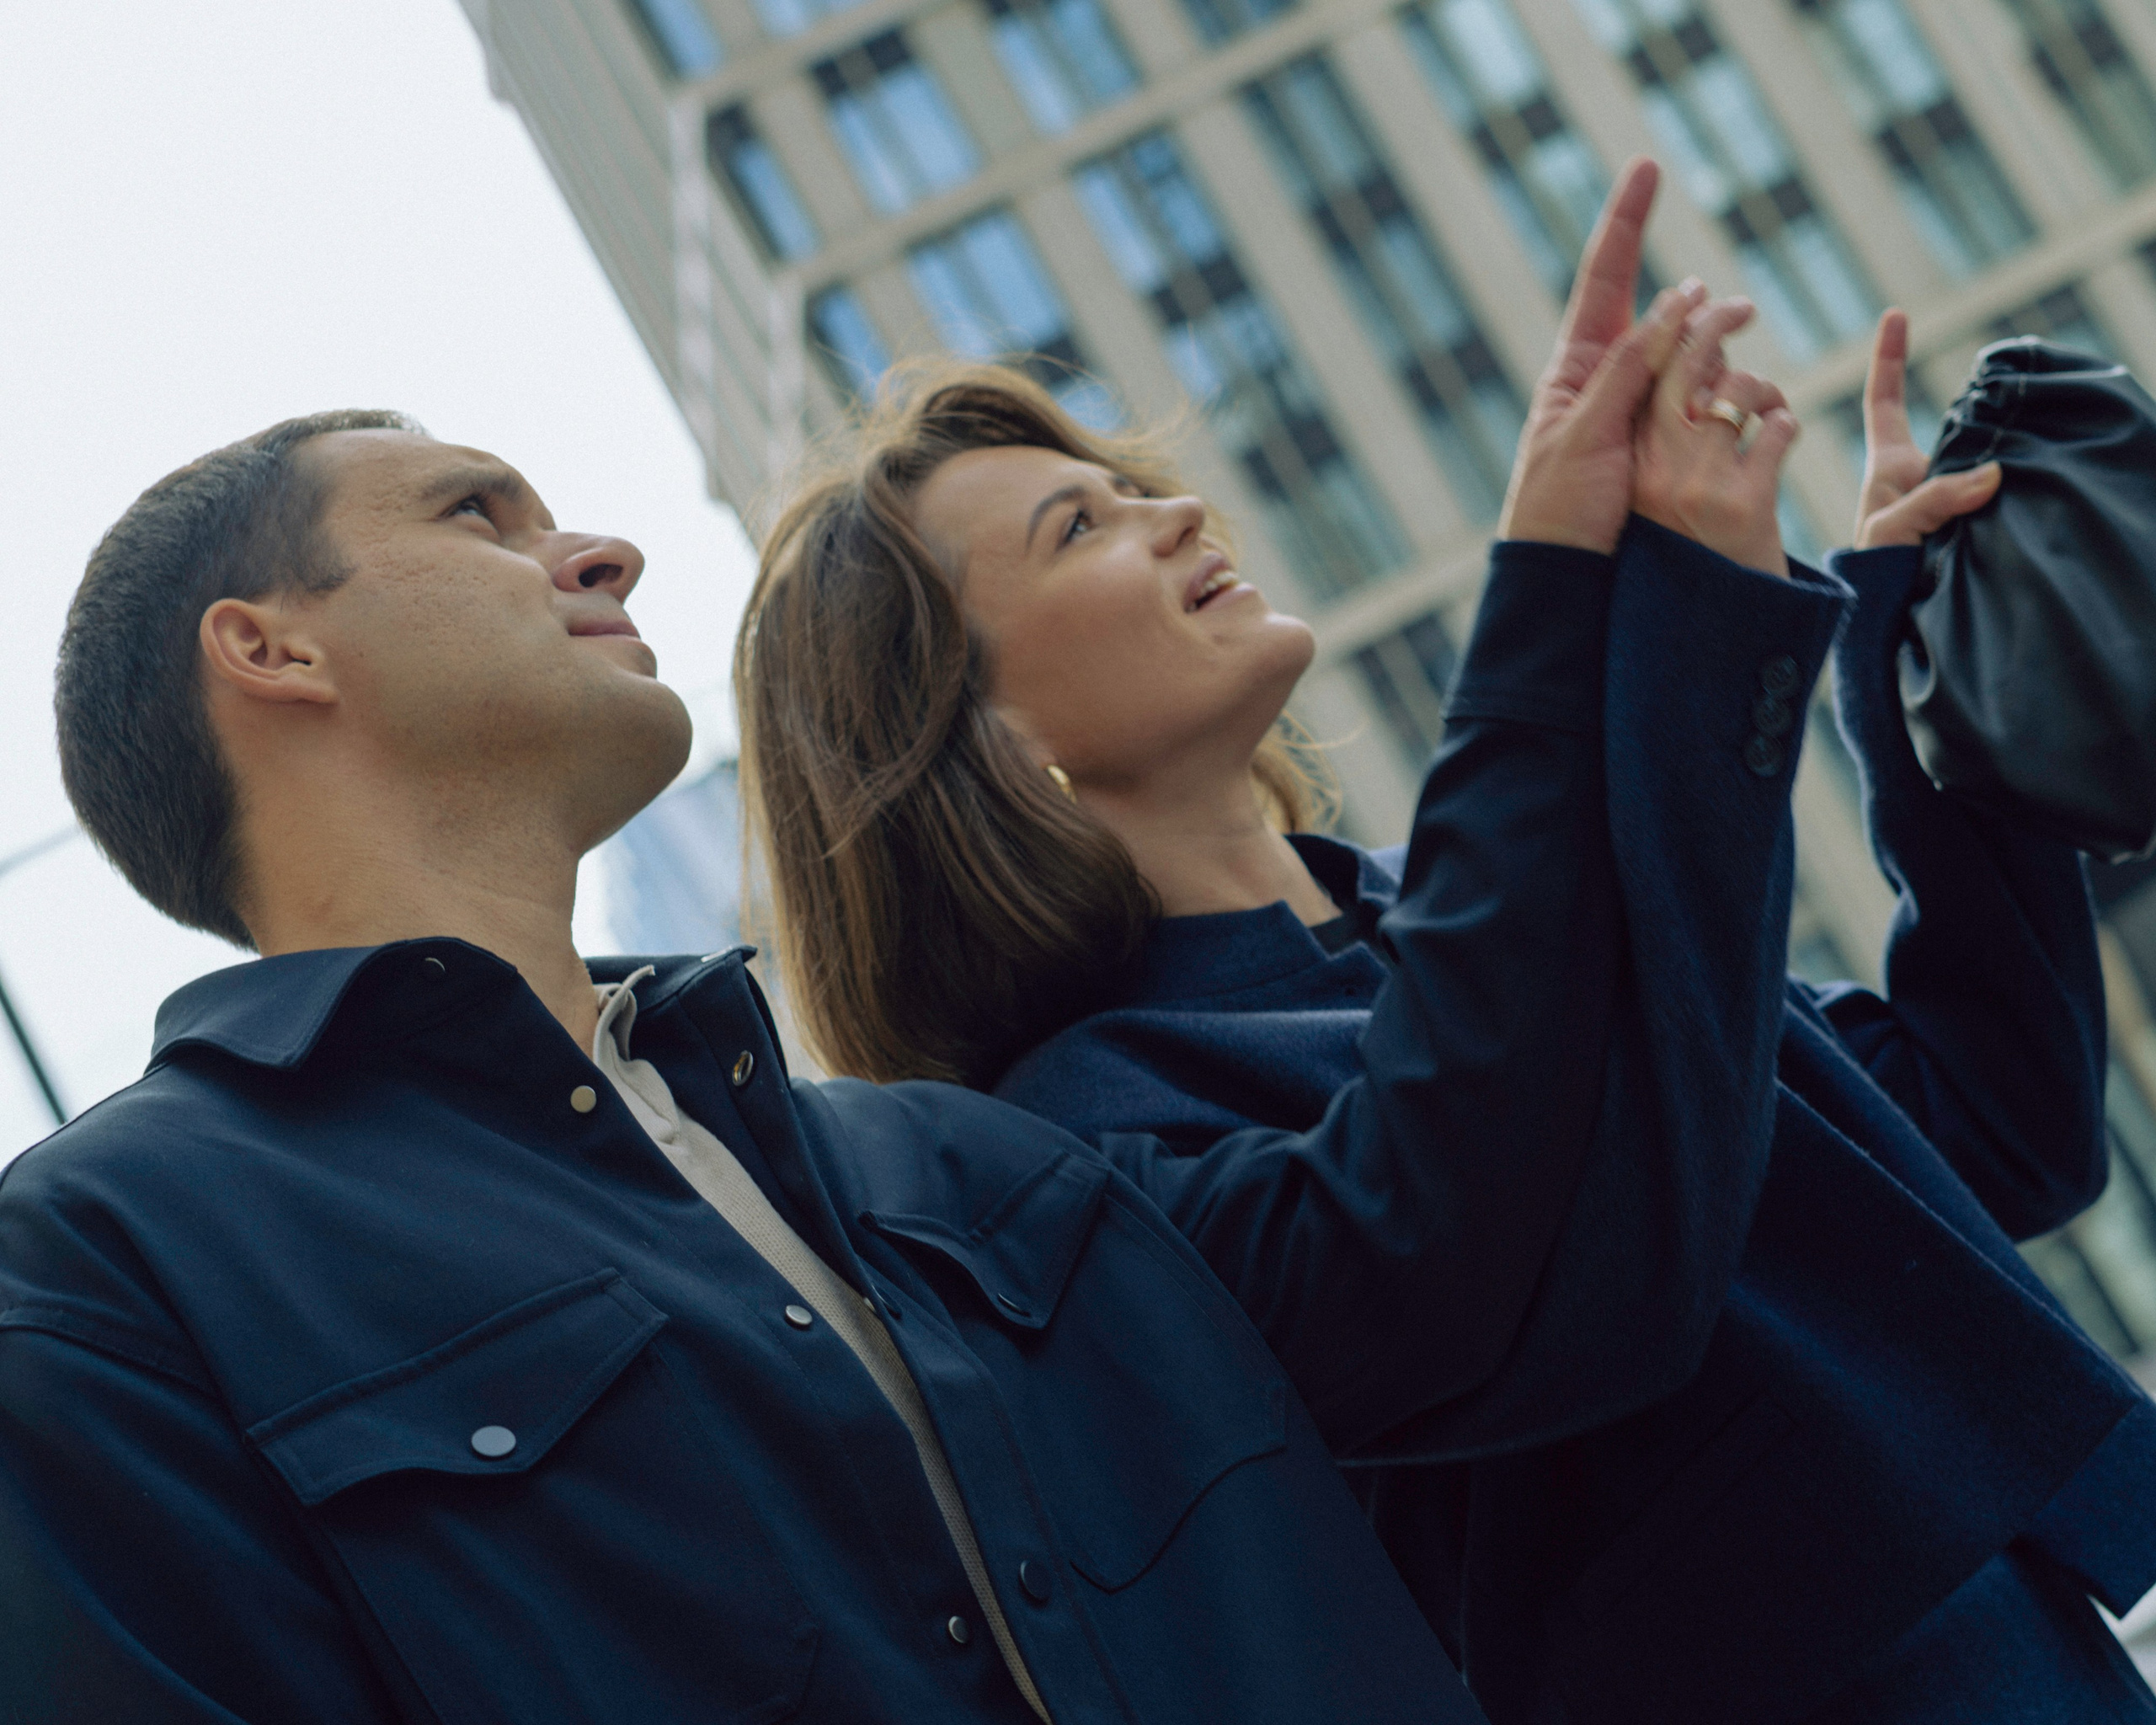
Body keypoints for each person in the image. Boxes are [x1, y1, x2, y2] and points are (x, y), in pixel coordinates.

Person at [8, 166, 1820, 1723]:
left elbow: (1488, 1258)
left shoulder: (956, 1177)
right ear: (269, 652)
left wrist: (1647, 614)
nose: (606, 552)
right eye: (480, 513)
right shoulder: (103, 1270)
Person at [742, 183, 2156, 1722]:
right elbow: (1463, 1227)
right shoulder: (1081, 1147)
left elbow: (1987, 1128)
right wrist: (1567, 578)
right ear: (981, 741)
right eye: (1080, 524)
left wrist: (1913, 675)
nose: (1177, 510)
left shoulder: (1449, 908)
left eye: (1127, 482)